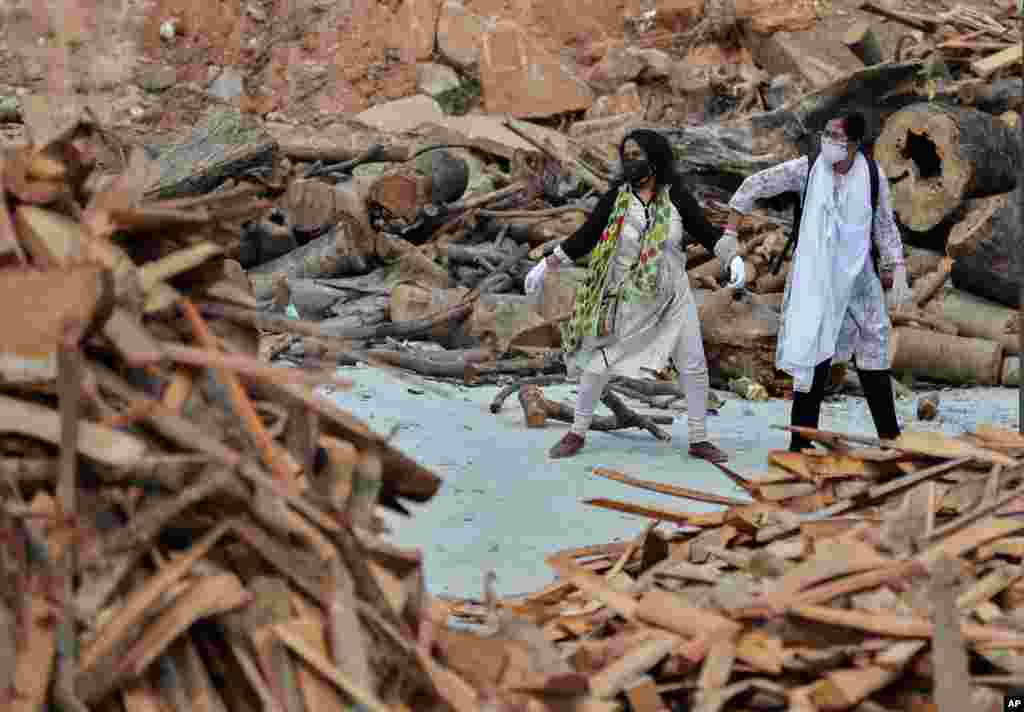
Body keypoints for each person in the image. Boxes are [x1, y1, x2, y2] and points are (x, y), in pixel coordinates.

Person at [524, 129, 745, 462]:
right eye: (626, 156)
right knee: (598, 366)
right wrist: (546, 264)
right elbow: (584, 238)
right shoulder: (617, 199)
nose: (630, 162)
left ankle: (700, 440)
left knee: (693, 365)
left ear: (655, 159)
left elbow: (707, 233)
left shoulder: (676, 198)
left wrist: (733, 257)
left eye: (637, 155)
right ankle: (576, 433)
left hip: (673, 295)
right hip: (629, 297)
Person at [723, 113, 913, 453]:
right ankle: (801, 440)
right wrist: (730, 229)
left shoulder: (871, 173)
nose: (827, 141)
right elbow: (759, 183)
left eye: (836, 136)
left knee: (874, 348)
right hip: (816, 276)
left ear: (854, 144)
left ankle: (890, 437)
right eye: (825, 134)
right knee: (813, 352)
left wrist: (895, 265)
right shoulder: (807, 168)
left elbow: (884, 223)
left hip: (858, 277)